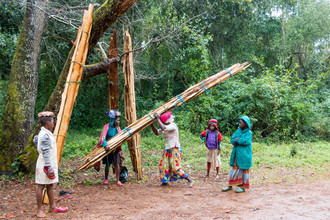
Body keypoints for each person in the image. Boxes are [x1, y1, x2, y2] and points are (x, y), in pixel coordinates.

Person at [35, 111, 68, 218]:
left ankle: (52, 206)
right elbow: (44, 151)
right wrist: (48, 167)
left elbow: (36, 143)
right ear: (48, 123)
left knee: (49, 185)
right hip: (45, 164)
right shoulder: (45, 135)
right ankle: (39, 210)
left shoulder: (44, 133)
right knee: (41, 186)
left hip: (46, 163)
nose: (53, 123)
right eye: (52, 121)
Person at [150, 111, 194, 187]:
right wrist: (151, 125)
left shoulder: (173, 125)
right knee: (163, 165)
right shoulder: (165, 126)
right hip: (167, 148)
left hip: (175, 148)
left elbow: (163, 128)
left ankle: (190, 180)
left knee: (175, 166)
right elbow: (157, 132)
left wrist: (157, 118)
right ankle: (165, 181)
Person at [222, 116, 252, 193]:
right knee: (233, 168)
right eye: (239, 122)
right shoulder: (237, 131)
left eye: (241, 122)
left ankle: (242, 187)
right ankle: (230, 185)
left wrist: (238, 140)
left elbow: (246, 141)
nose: (239, 124)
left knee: (243, 169)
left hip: (244, 155)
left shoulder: (249, 133)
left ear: (245, 124)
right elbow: (232, 139)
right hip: (236, 154)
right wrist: (236, 140)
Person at [93, 110, 124, 186]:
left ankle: (118, 180)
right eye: (118, 120)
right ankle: (106, 178)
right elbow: (102, 138)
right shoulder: (106, 127)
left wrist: (116, 146)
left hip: (115, 149)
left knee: (116, 164)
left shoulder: (117, 128)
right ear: (113, 120)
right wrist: (105, 146)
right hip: (108, 148)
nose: (119, 122)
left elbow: (120, 137)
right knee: (107, 164)